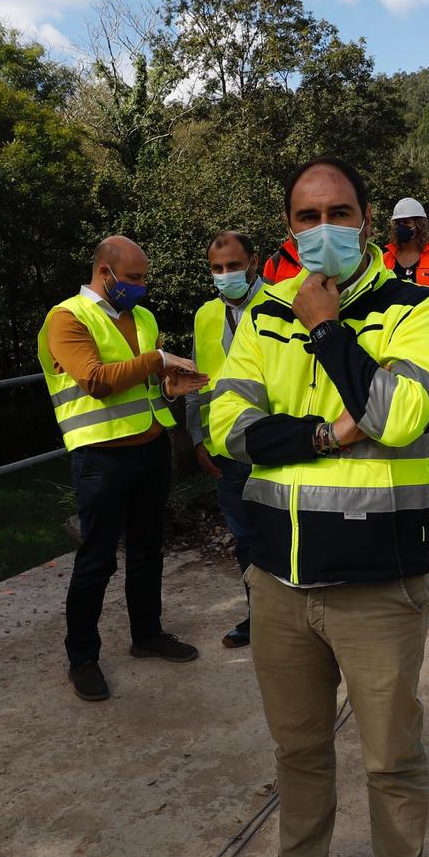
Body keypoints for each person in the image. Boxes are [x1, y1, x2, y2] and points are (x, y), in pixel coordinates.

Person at [209, 156, 429, 857]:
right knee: (299, 750)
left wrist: (327, 328)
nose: (323, 230)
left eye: (339, 211)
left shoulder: (420, 308)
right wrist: (323, 432)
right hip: (277, 582)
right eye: (306, 216)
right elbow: (227, 428)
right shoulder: (260, 314)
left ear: (367, 217)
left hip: (378, 583)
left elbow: (395, 418)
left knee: (391, 757)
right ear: (289, 227)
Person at [38, 236, 208, 701]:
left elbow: (148, 382)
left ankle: (147, 634)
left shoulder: (143, 317)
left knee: (148, 548)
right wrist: (157, 360)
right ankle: (82, 658)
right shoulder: (68, 318)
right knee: (96, 559)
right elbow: (94, 380)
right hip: (101, 456)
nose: (141, 286)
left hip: (151, 445)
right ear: (104, 273)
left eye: (143, 277)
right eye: (133, 278)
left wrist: (172, 384)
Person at [190, 230, 262, 648]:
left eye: (233, 266)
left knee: (290, 533)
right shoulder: (204, 315)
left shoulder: (281, 305)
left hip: (275, 445)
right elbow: (196, 380)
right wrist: (198, 436)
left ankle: (300, 624)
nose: (225, 275)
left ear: (253, 262)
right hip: (226, 451)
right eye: (217, 268)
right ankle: (259, 617)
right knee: (246, 542)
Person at [384, 197, 429, 290]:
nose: (401, 227)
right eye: (398, 223)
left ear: (419, 225)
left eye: (406, 222)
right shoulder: (385, 260)